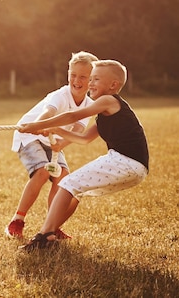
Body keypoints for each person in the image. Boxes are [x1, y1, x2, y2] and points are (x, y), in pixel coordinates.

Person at [18, 60, 149, 251]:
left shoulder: (109, 100)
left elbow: (72, 116)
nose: (90, 83)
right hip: (137, 169)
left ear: (113, 85)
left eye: (95, 79)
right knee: (76, 190)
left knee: (67, 183)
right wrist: (55, 129)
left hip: (125, 161)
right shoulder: (105, 112)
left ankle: (43, 236)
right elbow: (85, 138)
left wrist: (37, 125)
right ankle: (51, 231)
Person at [5, 51, 98, 240]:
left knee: (63, 178)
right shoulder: (60, 95)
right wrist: (38, 125)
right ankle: (17, 221)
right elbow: (48, 112)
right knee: (42, 171)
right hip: (30, 135)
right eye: (73, 75)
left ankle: (51, 226)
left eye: (83, 77)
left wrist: (61, 144)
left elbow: (78, 129)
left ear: (92, 80)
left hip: (54, 140)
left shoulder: (89, 104)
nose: (76, 80)